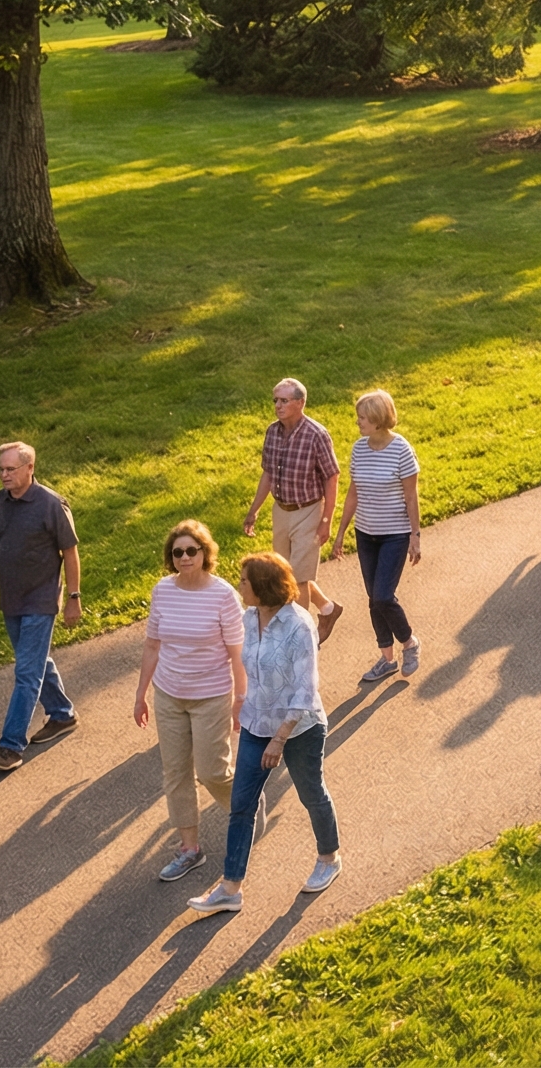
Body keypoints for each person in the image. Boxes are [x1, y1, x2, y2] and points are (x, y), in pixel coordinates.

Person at [185, 557, 341, 917]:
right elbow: (238, 665)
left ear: (263, 585)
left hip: (299, 728)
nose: (240, 586)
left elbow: (305, 690)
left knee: (311, 793)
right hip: (257, 724)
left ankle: (329, 858)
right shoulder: (248, 619)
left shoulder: (299, 625)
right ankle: (230, 888)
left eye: (244, 581)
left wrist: (279, 739)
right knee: (241, 804)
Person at [0, 440, 83, 773]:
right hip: (11, 599)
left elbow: (70, 553)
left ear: (29, 468)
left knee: (26, 672)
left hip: (41, 599)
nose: (3, 475)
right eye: (0, 469)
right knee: (34, 661)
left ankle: (10, 746)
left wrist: (74, 597)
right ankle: (62, 714)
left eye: (10, 469)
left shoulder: (51, 504)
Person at [135, 520, 244, 883]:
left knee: (212, 770)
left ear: (204, 554)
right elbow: (153, 645)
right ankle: (189, 849)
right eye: (177, 552)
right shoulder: (163, 591)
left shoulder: (223, 595)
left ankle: (243, 811)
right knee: (176, 772)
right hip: (168, 694)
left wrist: (241, 698)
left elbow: (237, 653)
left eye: (191, 551)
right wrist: (141, 694)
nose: (184, 557)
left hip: (211, 695)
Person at [329, 389, 426, 683]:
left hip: (394, 535)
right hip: (366, 534)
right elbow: (353, 493)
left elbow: (411, 498)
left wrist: (415, 536)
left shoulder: (402, 451)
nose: (358, 422)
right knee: (374, 598)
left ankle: (409, 643)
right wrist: (341, 532)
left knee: (383, 595)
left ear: (379, 419)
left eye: (363, 417)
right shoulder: (359, 449)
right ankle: (386, 659)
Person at [241, 378, 342, 640]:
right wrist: (254, 511)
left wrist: (326, 520)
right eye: (275, 400)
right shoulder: (272, 432)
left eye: (284, 401)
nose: (278, 405)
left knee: (298, 578)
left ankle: (300, 637)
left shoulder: (316, 435)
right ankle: (328, 609)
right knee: (284, 573)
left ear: (300, 402)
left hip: (308, 510)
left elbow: (332, 477)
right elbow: (268, 474)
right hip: (281, 509)